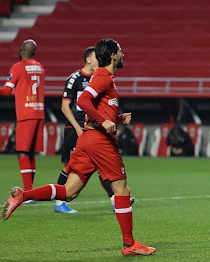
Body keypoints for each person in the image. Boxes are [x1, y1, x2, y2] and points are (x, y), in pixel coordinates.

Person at [2, 38, 156, 256]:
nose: (123, 54)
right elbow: (83, 101)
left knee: (69, 193)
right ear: (113, 55)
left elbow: (97, 106)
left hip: (87, 141)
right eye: (120, 51)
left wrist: (117, 119)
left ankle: (23, 195)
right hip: (100, 142)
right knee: (122, 190)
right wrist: (104, 122)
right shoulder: (103, 76)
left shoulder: (102, 76)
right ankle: (129, 245)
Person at [56, 46, 129, 213]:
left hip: (92, 126)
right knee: (69, 166)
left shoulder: (99, 77)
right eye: (96, 57)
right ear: (88, 59)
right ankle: (59, 202)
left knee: (99, 165)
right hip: (77, 126)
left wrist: (116, 119)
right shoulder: (75, 78)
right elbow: (66, 106)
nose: (99, 60)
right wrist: (77, 128)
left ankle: (115, 197)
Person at [0, 39, 45, 204]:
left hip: (26, 114)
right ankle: (31, 192)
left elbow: (6, 92)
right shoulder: (40, 67)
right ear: (34, 53)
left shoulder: (17, 67)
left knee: (22, 152)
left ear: (20, 51)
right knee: (31, 153)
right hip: (39, 112)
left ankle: (28, 195)